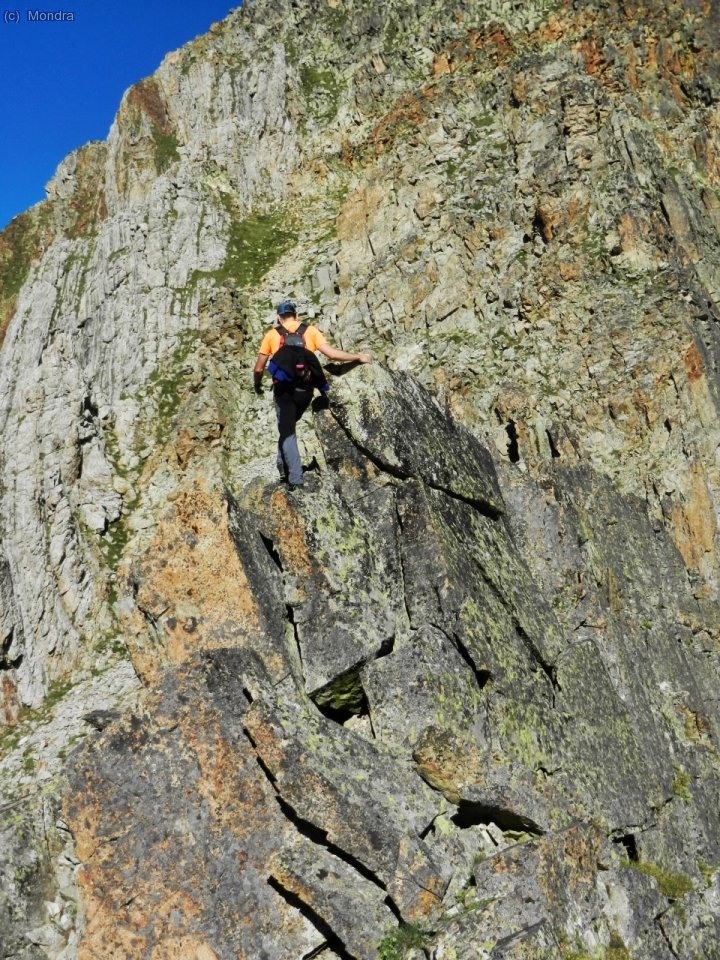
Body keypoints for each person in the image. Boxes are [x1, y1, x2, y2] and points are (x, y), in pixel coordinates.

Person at [253, 300, 372, 490]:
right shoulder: (310, 331)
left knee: (288, 432)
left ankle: (295, 480)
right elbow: (332, 354)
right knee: (288, 428)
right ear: (297, 315)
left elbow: (259, 369)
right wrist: (357, 356)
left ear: (278, 318)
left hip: (284, 392)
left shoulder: (271, 335)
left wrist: (257, 385)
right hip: (306, 392)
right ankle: (283, 467)